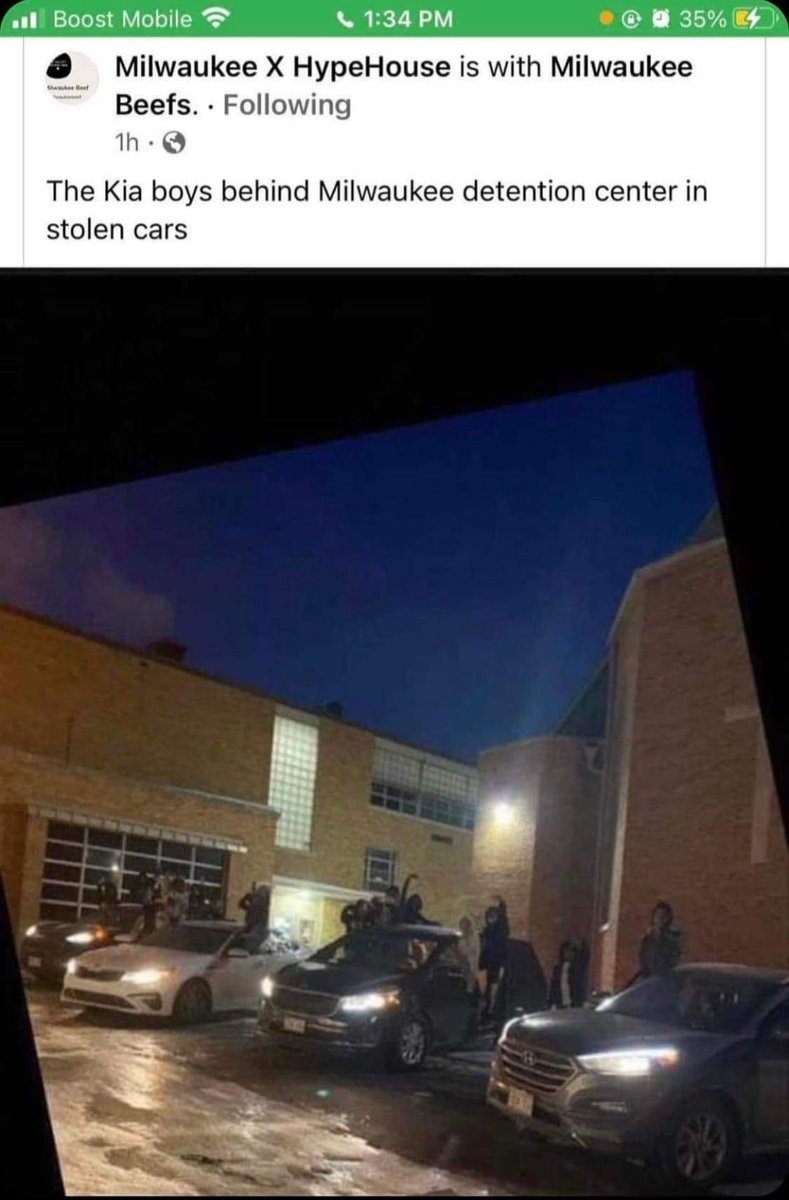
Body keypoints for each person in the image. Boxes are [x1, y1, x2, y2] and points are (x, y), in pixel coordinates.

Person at [628, 901, 683, 987]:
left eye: (664, 916)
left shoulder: (673, 942)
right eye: (658, 915)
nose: (660, 918)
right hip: (649, 984)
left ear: (668, 918)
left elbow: (674, 964)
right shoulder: (647, 941)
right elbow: (643, 963)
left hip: (665, 984)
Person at [479, 899, 509, 1025]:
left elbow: (504, 923)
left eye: (492, 916)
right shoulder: (487, 931)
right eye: (488, 916)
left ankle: (490, 1012)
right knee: (485, 990)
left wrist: (502, 905)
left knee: (492, 989)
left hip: (496, 963)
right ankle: (486, 1011)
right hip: (486, 964)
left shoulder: (499, 930)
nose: (489, 919)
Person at [548, 937, 589, 1009]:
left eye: (571, 951)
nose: (568, 954)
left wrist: (580, 944)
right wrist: (551, 1001)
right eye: (566, 951)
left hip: (575, 1003)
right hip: (560, 1003)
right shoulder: (558, 969)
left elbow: (585, 956)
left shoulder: (578, 967)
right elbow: (554, 986)